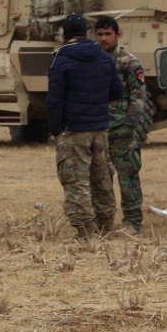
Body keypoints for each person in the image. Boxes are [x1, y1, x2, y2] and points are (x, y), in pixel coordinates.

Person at [46, 13, 122, 239]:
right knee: (102, 179)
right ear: (87, 33)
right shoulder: (104, 57)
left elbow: (54, 100)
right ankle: (106, 226)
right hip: (100, 129)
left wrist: (55, 129)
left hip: (73, 131)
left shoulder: (61, 59)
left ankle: (86, 232)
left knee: (76, 181)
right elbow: (116, 92)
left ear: (64, 35)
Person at [95, 15, 148, 236]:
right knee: (100, 177)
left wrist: (130, 125)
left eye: (108, 34)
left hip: (122, 129)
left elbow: (138, 98)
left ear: (118, 35)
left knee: (128, 176)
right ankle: (102, 222)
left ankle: (132, 223)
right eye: (99, 34)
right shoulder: (92, 61)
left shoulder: (129, 62)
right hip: (98, 128)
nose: (103, 39)